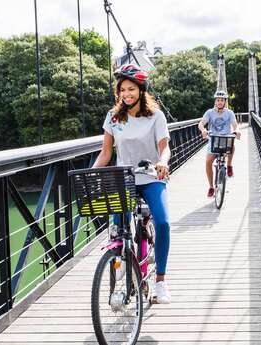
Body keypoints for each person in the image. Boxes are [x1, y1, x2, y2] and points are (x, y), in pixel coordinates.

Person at [92, 64, 172, 304]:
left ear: (141, 90)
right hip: (123, 178)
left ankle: (160, 281)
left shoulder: (156, 116)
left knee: (163, 222)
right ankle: (121, 259)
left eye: (131, 89)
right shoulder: (113, 118)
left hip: (149, 177)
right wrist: (95, 173)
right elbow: (106, 153)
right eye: (122, 90)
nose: (126, 94)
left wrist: (162, 162)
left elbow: (164, 147)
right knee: (118, 226)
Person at [198, 90, 241, 198]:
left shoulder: (229, 113)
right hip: (213, 139)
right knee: (208, 162)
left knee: (232, 145)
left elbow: (235, 124)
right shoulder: (209, 112)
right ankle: (211, 187)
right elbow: (201, 123)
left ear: (225, 102)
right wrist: (203, 130)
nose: (220, 102)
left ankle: (229, 165)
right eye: (218, 100)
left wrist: (237, 130)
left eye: (222, 100)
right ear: (215, 101)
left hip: (226, 138)